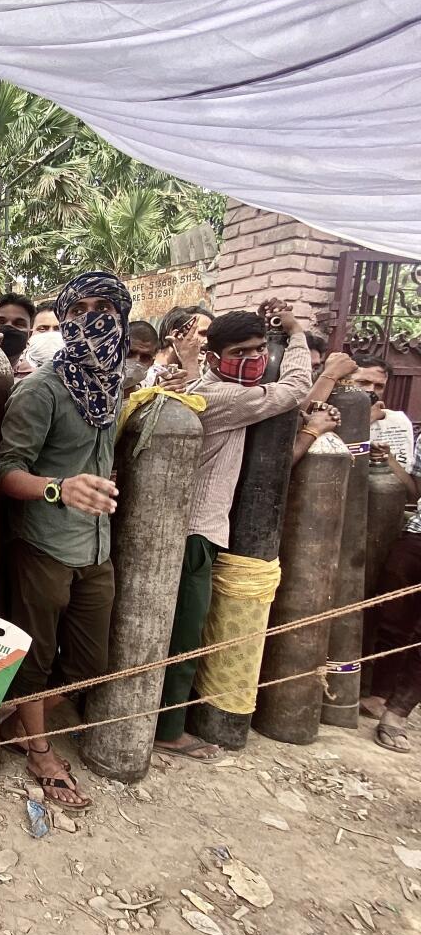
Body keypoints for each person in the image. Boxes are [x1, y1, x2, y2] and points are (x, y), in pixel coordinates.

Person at [0, 271, 133, 810]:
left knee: (91, 662)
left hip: (97, 547)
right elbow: (2, 471)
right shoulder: (41, 389)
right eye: (81, 309)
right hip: (45, 543)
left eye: (106, 309)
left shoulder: (116, 387)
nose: (94, 319)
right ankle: (40, 750)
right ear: (65, 319)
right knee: (36, 654)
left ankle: (22, 719)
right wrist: (59, 489)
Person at [156, 298, 312, 761]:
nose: (253, 360)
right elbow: (295, 388)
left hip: (195, 530)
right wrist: (297, 332)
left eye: (260, 350)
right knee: (185, 631)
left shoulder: (203, 386)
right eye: (240, 352)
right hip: (194, 533)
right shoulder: (223, 396)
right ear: (213, 356)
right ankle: (169, 728)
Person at [362, 434, 421, 749]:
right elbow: (417, 491)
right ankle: (379, 695)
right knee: (392, 618)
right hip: (416, 536)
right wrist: (392, 463)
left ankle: (397, 713)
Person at [353, 355, 414, 465]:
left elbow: (405, 477)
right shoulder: (328, 416)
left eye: (379, 386)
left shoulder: (397, 421)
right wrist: (368, 418)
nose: (371, 390)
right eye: (363, 382)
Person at [0, 292, 36, 369]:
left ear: (30, 334)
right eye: (1, 322)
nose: (9, 326)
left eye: (19, 324)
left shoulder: (37, 379)